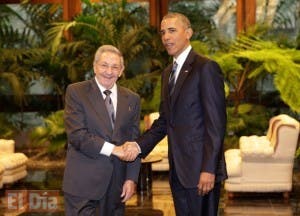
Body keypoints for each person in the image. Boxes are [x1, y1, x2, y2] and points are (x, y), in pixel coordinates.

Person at [120, 12, 227, 216]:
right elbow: (165, 121)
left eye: (172, 31)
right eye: (162, 32)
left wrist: (209, 169)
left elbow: (216, 124)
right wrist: (138, 145)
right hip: (178, 171)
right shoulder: (168, 72)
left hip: (200, 172)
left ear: (188, 33)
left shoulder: (206, 68)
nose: (166, 37)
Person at [62, 45, 141, 215]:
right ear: (94, 66)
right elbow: (77, 136)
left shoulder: (132, 99)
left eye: (115, 67)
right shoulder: (76, 92)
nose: (109, 71)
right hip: (83, 186)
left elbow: (134, 142)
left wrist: (131, 179)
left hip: (117, 188)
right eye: (104, 65)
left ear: (121, 71)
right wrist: (115, 149)